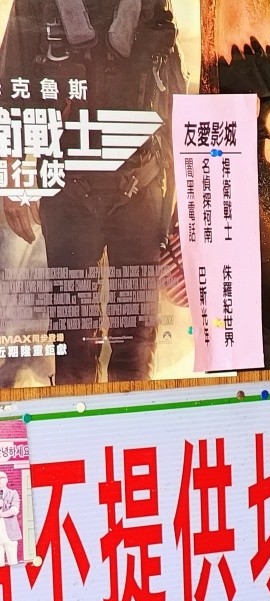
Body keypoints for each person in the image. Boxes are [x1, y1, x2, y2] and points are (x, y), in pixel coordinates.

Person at [0, 0, 184, 385]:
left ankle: (136, 435)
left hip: (142, 187)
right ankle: (78, 438)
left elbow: (171, 89)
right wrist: (10, 177)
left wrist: (184, 191)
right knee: (73, 345)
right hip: (68, 194)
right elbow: (9, 87)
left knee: (136, 347)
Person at [0, 471, 20, 566]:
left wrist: (1, 514)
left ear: (6, 480)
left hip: (10, 534)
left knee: (13, 563)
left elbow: (14, 510)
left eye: (2, 478)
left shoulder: (13, 493)